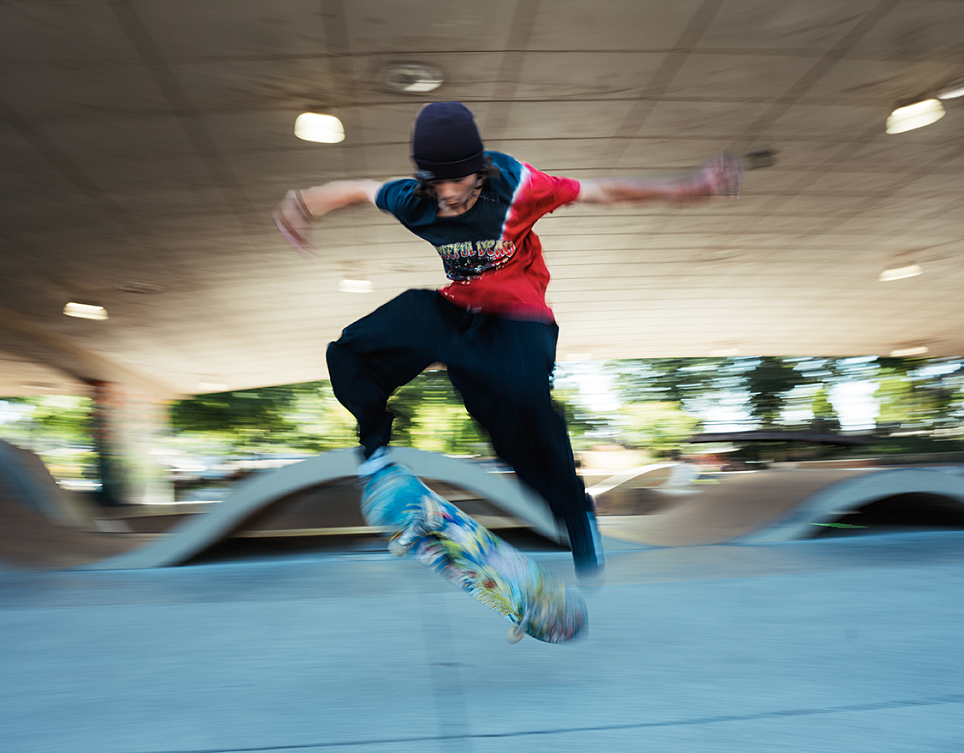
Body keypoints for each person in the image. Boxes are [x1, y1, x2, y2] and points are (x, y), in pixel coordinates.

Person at [273, 102, 740, 577]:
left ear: (480, 172)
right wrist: (304, 202)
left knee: (520, 418)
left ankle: (574, 513)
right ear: (425, 180)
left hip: (520, 319)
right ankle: (375, 456)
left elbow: (604, 192)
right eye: (441, 185)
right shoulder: (412, 199)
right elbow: (359, 189)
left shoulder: (519, 185)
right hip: (458, 312)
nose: (451, 196)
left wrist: (689, 187)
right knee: (354, 348)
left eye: (462, 183)